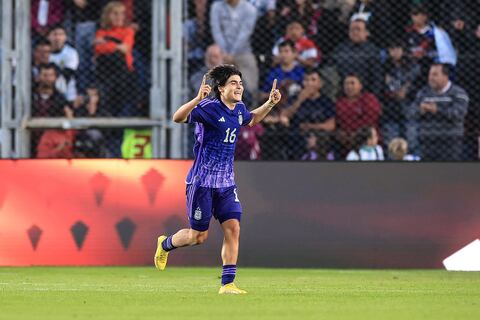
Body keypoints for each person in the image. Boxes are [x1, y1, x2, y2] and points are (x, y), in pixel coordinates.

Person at [154, 64, 281, 294]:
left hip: (226, 184)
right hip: (202, 183)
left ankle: (227, 284)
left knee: (233, 227)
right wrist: (196, 99)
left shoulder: (239, 108)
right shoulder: (209, 108)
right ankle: (165, 243)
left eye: (240, 83)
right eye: (233, 83)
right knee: (197, 236)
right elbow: (177, 117)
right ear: (220, 88)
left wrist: (270, 103)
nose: (239, 87)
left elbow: (251, 119)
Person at [410, 63, 469, 161]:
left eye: (435, 75)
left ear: (445, 76)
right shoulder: (423, 93)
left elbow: (458, 114)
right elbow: (411, 112)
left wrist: (437, 110)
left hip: (450, 141)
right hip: (427, 141)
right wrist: (420, 110)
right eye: (429, 74)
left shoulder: (458, 93)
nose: (430, 78)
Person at [94, 1, 138, 116]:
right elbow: (98, 49)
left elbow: (125, 48)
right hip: (105, 73)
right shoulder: (101, 31)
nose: (119, 17)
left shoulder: (128, 31)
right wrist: (117, 44)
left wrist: (107, 42)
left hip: (124, 73)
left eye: (122, 14)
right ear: (107, 15)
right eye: (115, 13)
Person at [210, 0, 259, 101]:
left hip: (243, 52)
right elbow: (216, 30)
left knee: (250, 87)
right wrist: (225, 52)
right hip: (222, 52)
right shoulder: (216, 7)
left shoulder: (250, 9)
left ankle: (250, 112)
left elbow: (245, 33)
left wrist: (232, 53)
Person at [335, 74, 381, 158]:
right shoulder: (339, 103)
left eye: (352, 83)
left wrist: (356, 134)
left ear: (360, 86)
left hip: (366, 139)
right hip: (345, 142)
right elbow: (338, 122)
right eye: (346, 83)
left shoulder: (369, 98)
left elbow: (371, 118)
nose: (349, 86)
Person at [332, 19, 382, 96]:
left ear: (367, 32)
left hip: (364, 95)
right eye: (352, 30)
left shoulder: (373, 51)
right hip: (342, 94)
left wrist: (372, 97)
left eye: (358, 29)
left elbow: (377, 77)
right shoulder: (340, 49)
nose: (355, 32)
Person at [48, 24, 80, 103]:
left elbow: (68, 74)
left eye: (61, 34)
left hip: (66, 88)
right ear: (48, 37)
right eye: (55, 34)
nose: (58, 38)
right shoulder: (43, 51)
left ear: (65, 37)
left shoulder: (71, 52)